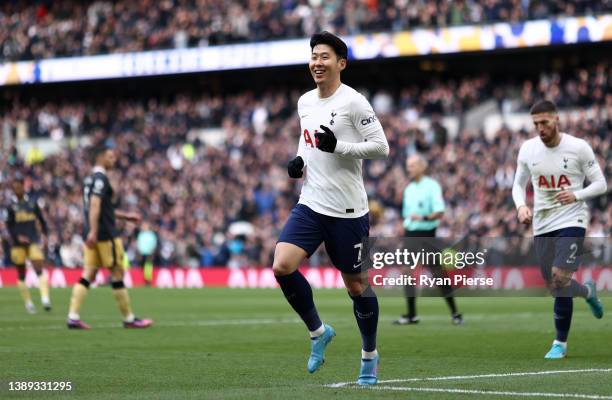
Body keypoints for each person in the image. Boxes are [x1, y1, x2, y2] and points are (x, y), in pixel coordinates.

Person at [272, 31, 389, 386]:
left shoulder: (355, 102)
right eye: (313, 56)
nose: (316, 63)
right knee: (282, 265)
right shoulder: (305, 101)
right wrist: (299, 161)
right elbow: (308, 140)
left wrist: (339, 147)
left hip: (349, 211)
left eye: (324, 57)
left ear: (341, 63)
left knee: (356, 286)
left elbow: (380, 147)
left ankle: (369, 354)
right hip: (311, 203)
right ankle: (318, 331)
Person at [512, 100, 607, 359]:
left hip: (572, 219)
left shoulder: (578, 147)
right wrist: (521, 207)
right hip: (542, 223)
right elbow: (517, 185)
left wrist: (576, 195)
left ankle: (560, 344)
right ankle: (588, 291)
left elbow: (601, 184)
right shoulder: (528, 149)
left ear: (556, 120)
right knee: (555, 284)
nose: (540, 128)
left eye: (545, 122)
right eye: (536, 124)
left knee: (559, 277)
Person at [66, 143, 153, 329]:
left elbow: (100, 208)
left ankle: (73, 317)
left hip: (94, 234)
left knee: (88, 273)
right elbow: (96, 204)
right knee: (117, 272)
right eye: (110, 156)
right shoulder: (101, 179)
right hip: (105, 235)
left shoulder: (89, 180)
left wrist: (124, 216)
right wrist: (95, 231)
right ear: (100, 158)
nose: (113, 160)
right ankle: (129, 319)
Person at [394, 154, 462, 325]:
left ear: (422, 167)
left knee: (439, 275)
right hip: (410, 235)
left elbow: (439, 211)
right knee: (406, 272)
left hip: (427, 234)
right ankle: (411, 314)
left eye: (412, 165)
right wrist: (404, 226)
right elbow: (408, 215)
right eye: (408, 165)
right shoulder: (409, 189)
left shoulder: (432, 186)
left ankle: (455, 312)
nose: (408, 168)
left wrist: (423, 218)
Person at [5, 173, 51, 313]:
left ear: (23, 187)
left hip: (32, 241)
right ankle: (28, 303)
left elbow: (42, 221)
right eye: (15, 188)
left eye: (19, 187)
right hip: (17, 245)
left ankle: (45, 299)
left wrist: (45, 235)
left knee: (39, 267)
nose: (17, 190)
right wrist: (17, 237)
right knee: (21, 274)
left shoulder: (32, 203)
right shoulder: (11, 207)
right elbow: (9, 226)